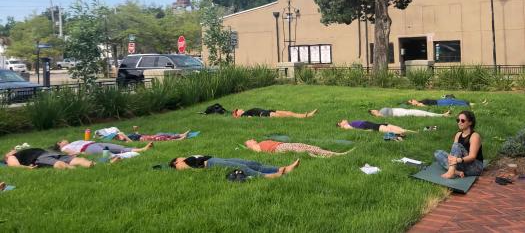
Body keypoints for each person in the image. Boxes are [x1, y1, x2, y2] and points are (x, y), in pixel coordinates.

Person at [434, 110, 483, 179]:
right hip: (461, 164)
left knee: (457, 145)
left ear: (470, 122)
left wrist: (457, 160)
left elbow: (472, 156)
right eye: (458, 120)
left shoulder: (475, 136)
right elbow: (454, 152)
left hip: (475, 167)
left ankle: (451, 171)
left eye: (462, 120)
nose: (459, 123)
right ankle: (457, 172)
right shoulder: (458, 134)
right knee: (438, 153)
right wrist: (452, 158)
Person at [170, 155, 300, 179]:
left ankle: (281, 169)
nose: (181, 156)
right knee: (243, 168)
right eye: (178, 158)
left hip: (215, 159)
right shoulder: (180, 164)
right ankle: (268, 176)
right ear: (176, 162)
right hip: (211, 164)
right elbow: (193, 171)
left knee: (251, 163)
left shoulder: (187, 158)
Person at [244, 139, 353, 157]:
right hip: (279, 148)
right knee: (304, 150)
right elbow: (260, 152)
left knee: (306, 146)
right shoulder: (254, 146)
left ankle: (328, 152)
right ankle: (331, 155)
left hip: (283, 144)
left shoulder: (260, 142)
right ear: (248, 144)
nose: (252, 139)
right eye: (249, 140)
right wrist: (251, 146)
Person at [4, 147, 94, 169]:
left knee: (58, 164)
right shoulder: (10, 157)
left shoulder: (19, 153)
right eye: (10, 151)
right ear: (6, 157)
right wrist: (28, 168)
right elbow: (14, 165)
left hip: (42, 156)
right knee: (77, 160)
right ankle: (90, 164)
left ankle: (76, 170)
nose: (12, 150)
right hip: (44, 154)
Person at [54, 140, 153, 156]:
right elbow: (70, 152)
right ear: (59, 144)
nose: (64, 140)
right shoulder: (64, 148)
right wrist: (81, 154)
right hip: (87, 148)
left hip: (95, 143)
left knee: (119, 147)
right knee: (107, 154)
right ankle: (118, 158)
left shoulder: (72, 142)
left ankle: (143, 149)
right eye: (61, 140)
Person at [96, 126, 190, 142]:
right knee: (159, 138)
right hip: (141, 139)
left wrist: (136, 131)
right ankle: (178, 139)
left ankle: (180, 135)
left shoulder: (122, 136)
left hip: (141, 136)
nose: (118, 135)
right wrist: (124, 136)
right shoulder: (123, 140)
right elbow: (132, 142)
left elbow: (135, 135)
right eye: (116, 135)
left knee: (161, 134)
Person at [336, 120, 415, 135]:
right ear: (340, 125)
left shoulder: (349, 123)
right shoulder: (346, 126)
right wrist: (368, 131)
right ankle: (405, 134)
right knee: (394, 130)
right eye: (341, 121)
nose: (343, 120)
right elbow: (356, 130)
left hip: (374, 124)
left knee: (392, 127)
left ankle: (415, 133)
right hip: (372, 126)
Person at [232, 108, 317, 118]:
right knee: (285, 116)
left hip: (267, 111)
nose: (239, 109)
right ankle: (306, 116)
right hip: (264, 114)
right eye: (237, 111)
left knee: (288, 112)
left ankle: (307, 115)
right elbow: (249, 119)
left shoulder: (245, 112)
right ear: (238, 114)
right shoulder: (243, 115)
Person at [368, 108, 451, 117]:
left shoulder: (381, 110)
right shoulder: (379, 115)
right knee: (423, 113)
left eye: (373, 109)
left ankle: (442, 115)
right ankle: (443, 115)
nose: (374, 110)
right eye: (373, 111)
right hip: (404, 114)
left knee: (422, 112)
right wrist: (377, 114)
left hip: (404, 111)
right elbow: (383, 117)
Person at [407, 98, 476, 107]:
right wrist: (419, 104)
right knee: (452, 103)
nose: (413, 100)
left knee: (451, 99)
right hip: (439, 103)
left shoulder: (420, 101)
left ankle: (468, 102)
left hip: (438, 100)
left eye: (412, 99)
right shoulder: (419, 104)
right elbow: (426, 106)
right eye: (411, 101)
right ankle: (467, 105)